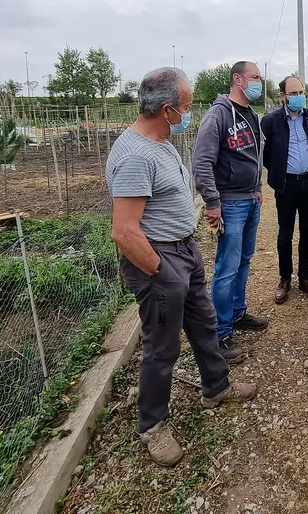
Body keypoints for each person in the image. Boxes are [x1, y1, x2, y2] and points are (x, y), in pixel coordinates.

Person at [107, 68, 257, 467]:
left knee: (204, 321)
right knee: (162, 345)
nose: (189, 114)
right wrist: (162, 269)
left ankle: (216, 386)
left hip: (182, 250)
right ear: (167, 109)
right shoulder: (137, 155)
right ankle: (152, 426)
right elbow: (123, 232)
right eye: (187, 107)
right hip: (159, 259)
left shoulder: (162, 143)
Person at [192, 61, 268, 364]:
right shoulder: (218, 115)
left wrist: (258, 185)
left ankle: (237, 313)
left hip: (250, 199)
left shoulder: (252, 115)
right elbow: (202, 162)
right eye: (254, 77)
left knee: (244, 261)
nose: (259, 82)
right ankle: (220, 334)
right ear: (237, 79)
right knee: (226, 266)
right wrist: (212, 202)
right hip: (230, 203)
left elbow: (254, 156)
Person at [260, 76, 308, 304]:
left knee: (307, 232)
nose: (299, 97)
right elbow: (265, 154)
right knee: (285, 232)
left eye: (301, 92)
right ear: (283, 96)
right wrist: (278, 172)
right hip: (286, 185)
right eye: (293, 93)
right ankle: (285, 279)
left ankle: (305, 278)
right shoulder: (271, 121)